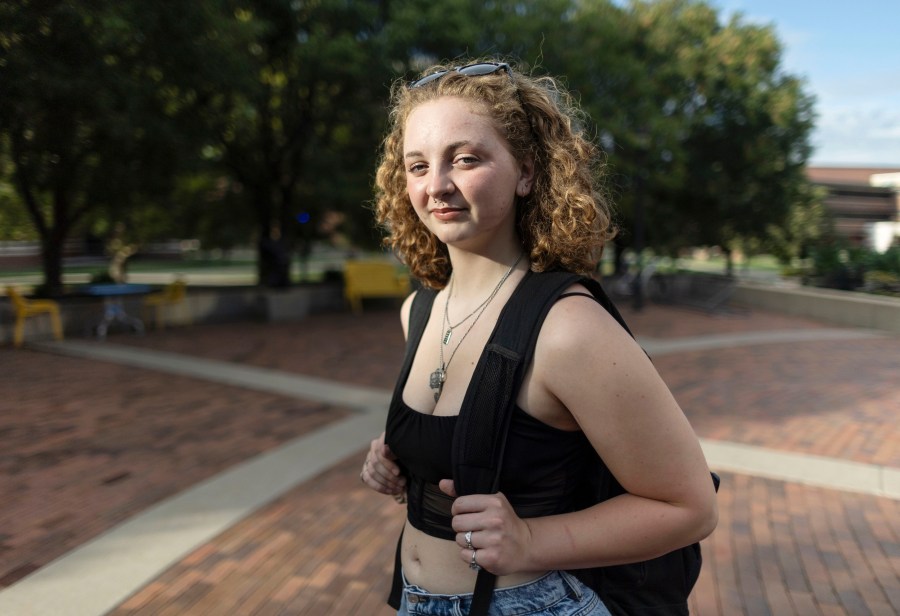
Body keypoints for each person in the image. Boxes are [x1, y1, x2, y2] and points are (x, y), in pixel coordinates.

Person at [360, 58, 718, 615]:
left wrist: (532, 541)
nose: (437, 185)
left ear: (526, 172)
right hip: (414, 599)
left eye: (466, 159)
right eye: (417, 166)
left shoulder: (567, 328)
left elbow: (690, 507)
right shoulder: (419, 311)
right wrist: (398, 464)